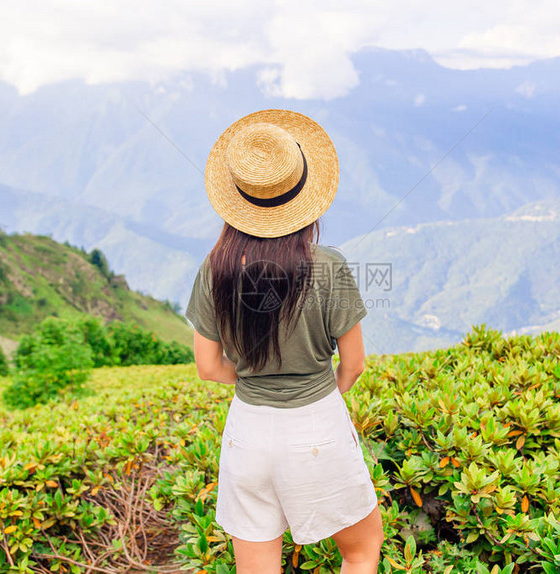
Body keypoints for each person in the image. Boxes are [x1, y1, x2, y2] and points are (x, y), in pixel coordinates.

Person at [185, 109, 383, 573]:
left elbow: (208, 368)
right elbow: (353, 365)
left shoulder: (216, 269)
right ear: (304, 194)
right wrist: (315, 391)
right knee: (361, 549)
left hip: (246, 434)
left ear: (237, 197)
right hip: (316, 424)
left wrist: (256, 375)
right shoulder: (327, 265)